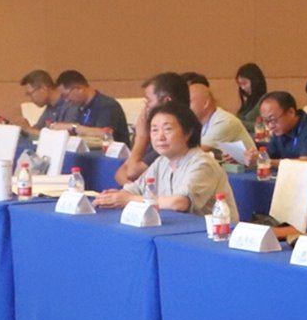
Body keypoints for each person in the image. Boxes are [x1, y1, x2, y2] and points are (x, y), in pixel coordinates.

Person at [95, 102, 225, 214]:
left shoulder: (202, 163)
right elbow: (134, 189)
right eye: (155, 130)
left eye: (167, 129)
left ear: (188, 133)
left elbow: (179, 203)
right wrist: (116, 196)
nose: (160, 137)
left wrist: (129, 199)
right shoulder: (162, 161)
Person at [115, 73, 192, 185]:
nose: (145, 107)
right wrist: (132, 189)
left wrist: (141, 137)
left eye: (149, 101)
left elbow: (131, 172)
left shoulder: (172, 136)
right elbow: (121, 172)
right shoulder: (155, 130)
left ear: (167, 101)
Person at [185, 73, 254, 161]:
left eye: (189, 102)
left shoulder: (224, 122)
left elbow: (194, 152)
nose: (185, 106)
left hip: (250, 169)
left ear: (205, 103)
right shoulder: (199, 122)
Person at [255, 92, 307, 169]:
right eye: (266, 121)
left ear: (291, 112)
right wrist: (257, 157)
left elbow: (306, 164)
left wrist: (267, 162)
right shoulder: (279, 131)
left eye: (272, 119)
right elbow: (269, 155)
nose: (270, 126)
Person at [55, 71, 131, 143]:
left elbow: (104, 134)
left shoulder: (107, 106)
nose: (66, 100)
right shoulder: (80, 107)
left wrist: (73, 127)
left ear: (79, 89)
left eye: (65, 95)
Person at [20, 69, 67, 134]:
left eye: (30, 94)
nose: (30, 99)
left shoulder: (70, 105)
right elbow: (38, 129)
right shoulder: (50, 107)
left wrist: (28, 129)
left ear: (43, 89)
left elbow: (64, 136)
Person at [234, 64, 267, 133]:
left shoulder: (266, 101)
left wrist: (237, 122)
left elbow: (265, 127)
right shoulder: (248, 102)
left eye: (245, 83)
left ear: (255, 81)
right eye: (240, 85)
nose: (242, 88)